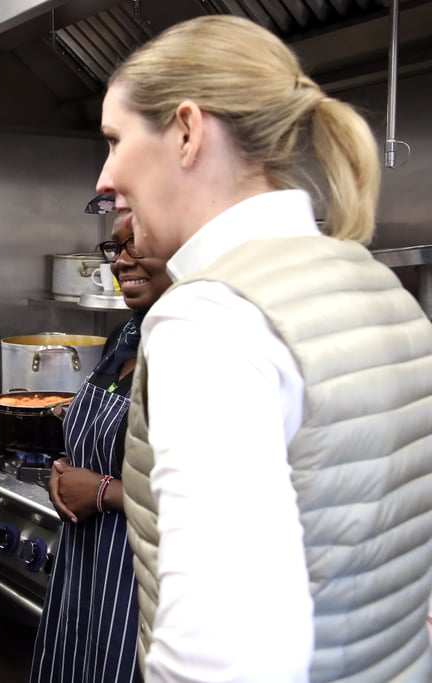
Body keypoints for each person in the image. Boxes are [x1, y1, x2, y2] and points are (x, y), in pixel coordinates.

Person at [94, 14, 432, 682]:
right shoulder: (376, 283)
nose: (105, 177)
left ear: (187, 131)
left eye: (114, 139)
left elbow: (226, 657)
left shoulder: (211, 316)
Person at [29, 211, 170, 683]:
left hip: (145, 576)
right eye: (116, 248)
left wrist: (102, 490)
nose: (122, 261)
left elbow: (218, 496)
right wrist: (65, 468)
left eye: (138, 245)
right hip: (86, 567)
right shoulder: (126, 337)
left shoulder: (192, 347)